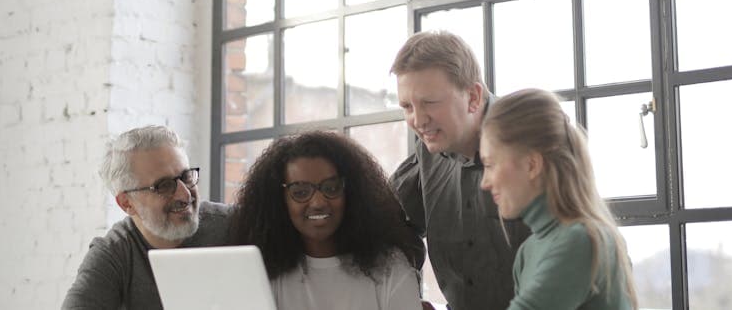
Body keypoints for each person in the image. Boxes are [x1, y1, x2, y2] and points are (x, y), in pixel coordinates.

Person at [390, 30, 530, 310]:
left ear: (473, 97)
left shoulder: (534, 137)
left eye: (429, 102)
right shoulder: (428, 150)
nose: (418, 120)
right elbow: (391, 225)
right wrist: (407, 298)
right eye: (407, 106)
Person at [229, 130, 424, 310]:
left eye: (331, 188)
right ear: (278, 201)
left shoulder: (389, 265)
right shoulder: (261, 270)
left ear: (352, 193)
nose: (318, 202)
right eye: (301, 192)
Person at [480, 89, 638, 310]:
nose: (484, 183)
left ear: (532, 165)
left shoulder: (582, 240)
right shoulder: (527, 252)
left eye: (490, 165)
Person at [62, 125, 231, 309]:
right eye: (164, 186)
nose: (185, 195)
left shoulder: (235, 224)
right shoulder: (114, 254)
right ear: (127, 203)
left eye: (186, 176)